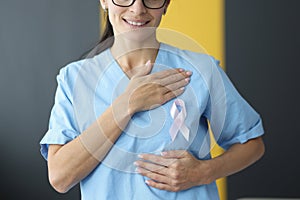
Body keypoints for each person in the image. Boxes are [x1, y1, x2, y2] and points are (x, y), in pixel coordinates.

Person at [40, 0, 265, 199]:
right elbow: (60, 178)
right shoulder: (74, 79)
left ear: (166, 4)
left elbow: (252, 144)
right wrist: (126, 104)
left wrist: (203, 172)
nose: (138, 8)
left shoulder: (200, 70)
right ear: (104, 1)